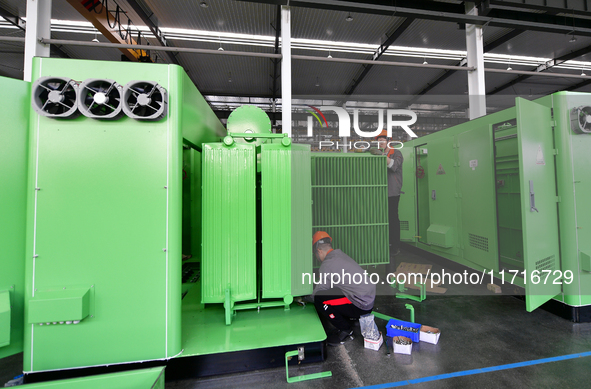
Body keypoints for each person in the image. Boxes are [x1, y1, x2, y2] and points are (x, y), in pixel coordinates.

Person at [310, 231, 376, 346]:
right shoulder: (340, 255)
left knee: (319, 298)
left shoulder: (327, 264)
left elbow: (319, 291)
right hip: (368, 297)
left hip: (361, 304)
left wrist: (303, 299)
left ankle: (346, 330)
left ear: (319, 251)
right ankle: (352, 318)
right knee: (334, 292)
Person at [370, 130, 404, 271]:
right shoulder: (378, 154)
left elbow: (393, 166)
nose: (381, 142)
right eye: (379, 140)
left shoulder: (396, 153)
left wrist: (382, 155)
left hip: (392, 192)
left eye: (383, 140)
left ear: (388, 141)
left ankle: (394, 246)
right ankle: (383, 244)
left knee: (392, 218)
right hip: (379, 192)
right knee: (380, 218)